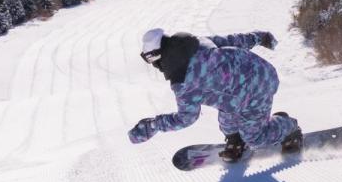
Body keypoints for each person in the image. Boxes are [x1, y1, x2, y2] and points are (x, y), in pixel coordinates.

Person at [129, 28, 301, 162]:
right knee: (228, 125)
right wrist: (258, 37)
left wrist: (153, 125)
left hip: (259, 86)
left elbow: (186, 118)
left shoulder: (182, 83)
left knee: (256, 139)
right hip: (245, 82)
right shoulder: (195, 42)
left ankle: (288, 127)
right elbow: (231, 41)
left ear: (156, 57)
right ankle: (236, 140)